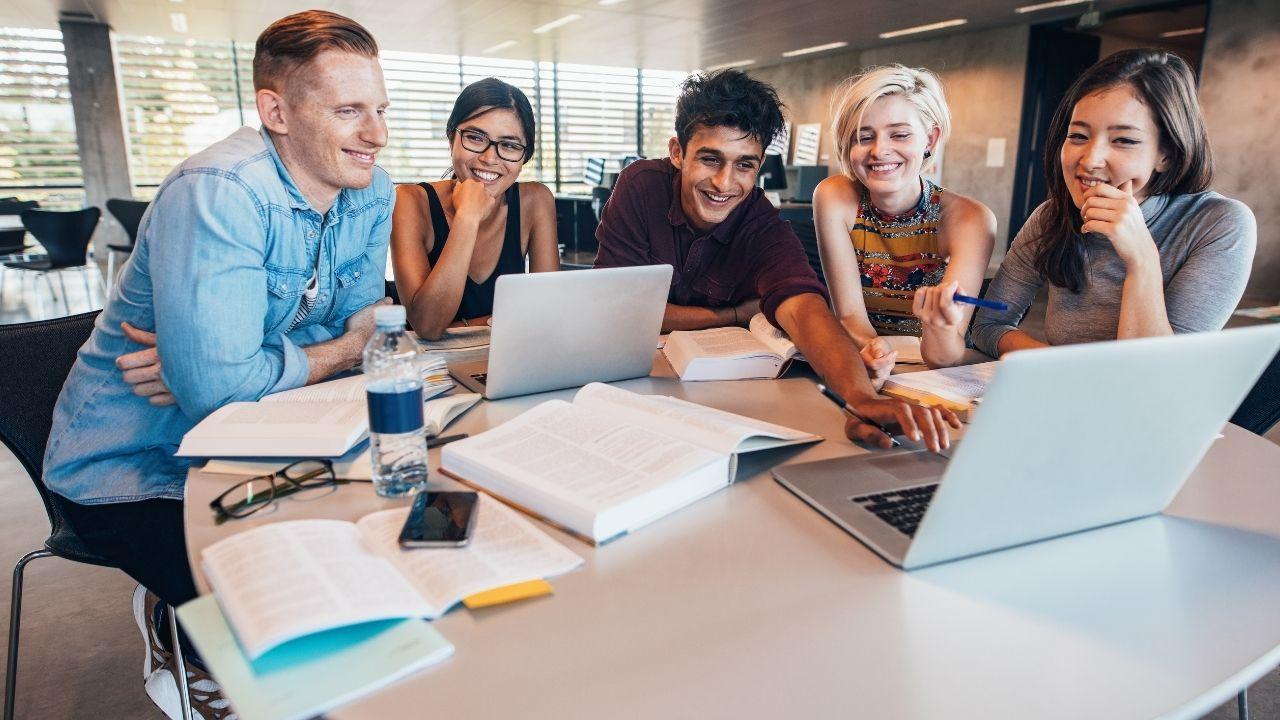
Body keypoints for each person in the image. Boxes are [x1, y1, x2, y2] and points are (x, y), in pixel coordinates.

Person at [41, 10, 393, 717]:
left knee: (374, 554)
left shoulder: (370, 189)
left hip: (265, 443)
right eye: (349, 110)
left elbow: (364, 336)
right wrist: (321, 353)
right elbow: (228, 390)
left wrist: (249, 366)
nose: (376, 134)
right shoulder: (220, 190)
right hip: (134, 466)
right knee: (293, 612)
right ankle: (186, 633)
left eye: (380, 110)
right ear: (276, 111)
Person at [594, 69, 958, 451]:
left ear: (759, 164)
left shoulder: (760, 222)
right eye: (710, 159)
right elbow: (618, 309)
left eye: (744, 165)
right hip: (630, 386)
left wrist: (860, 398)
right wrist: (732, 315)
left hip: (714, 396)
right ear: (677, 152)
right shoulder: (640, 186)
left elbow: (803, 307)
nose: (724, 183)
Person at [971, 49, 1256, 356]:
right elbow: (989, 326)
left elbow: (1158, 373)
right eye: (1078, 136)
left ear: (1166, 154)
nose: (1091, 159)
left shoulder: (1219, 223)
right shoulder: (1051, 216)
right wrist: (1057, 369)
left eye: (1123, 140)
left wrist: (1141, 259)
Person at [814, 65, 995, 373]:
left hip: (936, 373)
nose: (880, 150)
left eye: (899, 135)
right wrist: (875, 353)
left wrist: (938, 326)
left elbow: (946, 356)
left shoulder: (969, 219)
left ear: (930, 140)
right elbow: (849, 318)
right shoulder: (835, 197)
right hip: (866, 362)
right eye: (864, 136)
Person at [390, 78, 558, 340]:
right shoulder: (410, 201)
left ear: (524, 156)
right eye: (475, 137)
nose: (489, 158)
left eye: (510, 145)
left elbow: (547, 314)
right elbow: (428, 326)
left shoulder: (535, 201)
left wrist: (462, 327)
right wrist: (467, 217)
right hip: (434, 370)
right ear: (451, 138)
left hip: (510, 359)